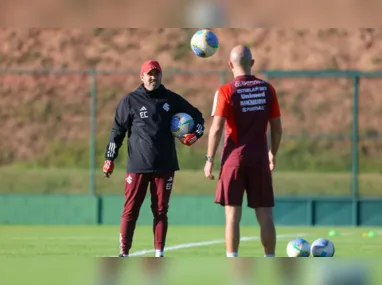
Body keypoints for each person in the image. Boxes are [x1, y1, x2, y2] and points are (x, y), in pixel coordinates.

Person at [103, 60, 205, 257]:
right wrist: (110, 157)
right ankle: (124, 253)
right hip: (138, 165)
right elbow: (117, 131)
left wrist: (196, 134)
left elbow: (198, 117)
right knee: (130, 210)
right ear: (141, 77)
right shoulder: (130, 100)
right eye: (149, 74)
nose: (153, 77)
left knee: (160, 211)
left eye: (156, 74)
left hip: (165, 165)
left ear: (161, 76)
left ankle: (159, 254)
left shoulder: (171, 99)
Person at [203, 45, 282, 257]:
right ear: (252, 63)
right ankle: (270, 259)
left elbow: (217, 128)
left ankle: (233, 261)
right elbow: (277, 128)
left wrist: (209, 158)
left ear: (230, 65)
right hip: (259, 158)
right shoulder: (268, 89)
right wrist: (272, 153)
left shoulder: (225, 91)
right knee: (265, 214)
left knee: (232, 216)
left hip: (233, 159)